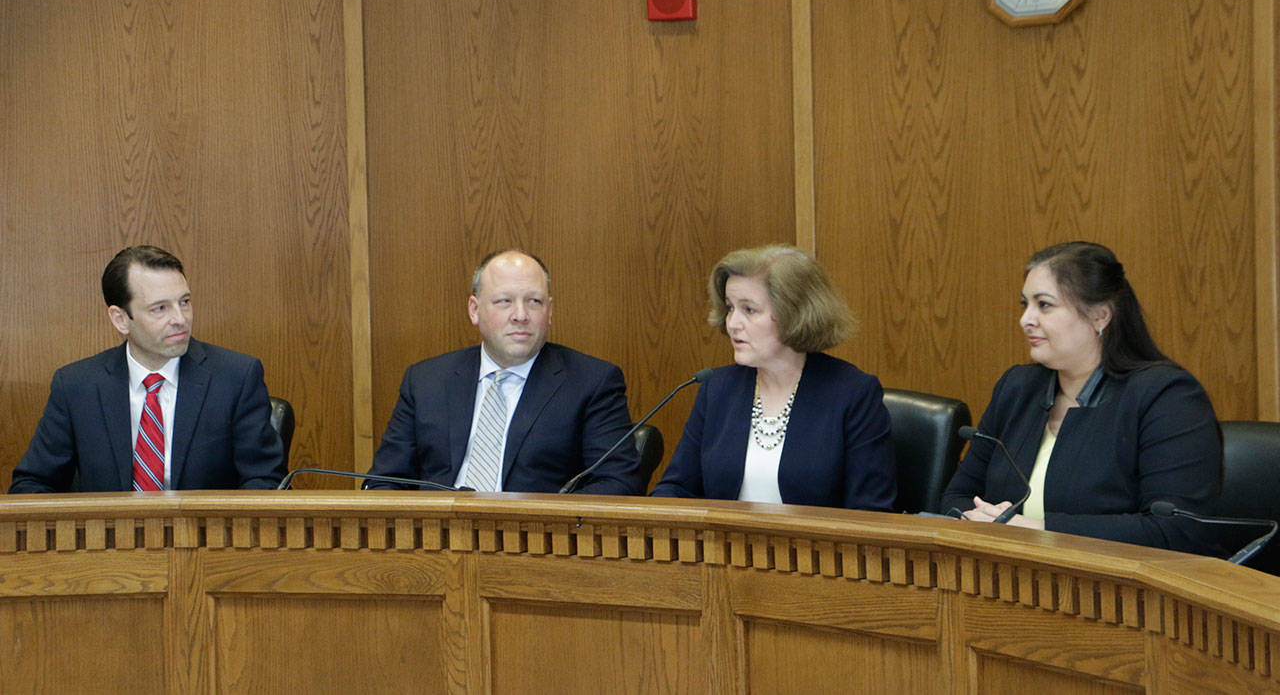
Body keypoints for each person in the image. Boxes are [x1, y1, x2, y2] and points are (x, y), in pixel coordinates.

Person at [939, 241, 1222, 555]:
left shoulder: (1167, 398)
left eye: (1044, 305)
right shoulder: (1018, 388)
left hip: (1121, 594)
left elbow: (1175, 531)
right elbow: (958, 497)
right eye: (1025, 305)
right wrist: (976, 519)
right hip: (1005, 580)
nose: (1026, 320)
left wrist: (1033, 530)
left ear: (1100, 316)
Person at [10, 246, 286, 493]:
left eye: (184, 302)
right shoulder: (76, 386)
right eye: (160, 308)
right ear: (121, 319)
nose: (180, 319)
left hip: (205, 545)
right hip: (108, 545)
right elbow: (33, 483)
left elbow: (265, 481)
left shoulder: (235, 378)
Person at [366, 249, 643, 494]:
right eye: (504, 301)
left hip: (535, 542)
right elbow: (384, 480)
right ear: (474, 310)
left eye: (534, 301)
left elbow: (617, 483)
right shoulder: (426, 381)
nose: (520, 315)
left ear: (549, 311)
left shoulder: (592, 382)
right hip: (437, 541)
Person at [651, 245, 896, 509]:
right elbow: (675, 488)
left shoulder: (851, 394)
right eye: (730, 307)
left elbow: (871, 511)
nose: (732, 323)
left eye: (749, 310)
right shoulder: (718, 389)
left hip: (816, 550)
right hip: (725, 549)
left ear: (794, 313)